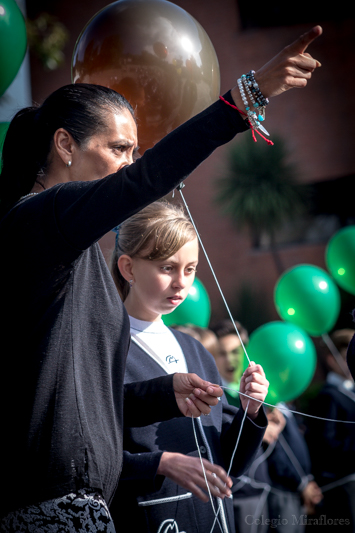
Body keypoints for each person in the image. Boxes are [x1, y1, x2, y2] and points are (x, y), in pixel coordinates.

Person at [0, 24, 322, 531]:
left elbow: (86, 404)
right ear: (65, 144)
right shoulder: (35, 220)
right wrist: (244, 98)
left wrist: (162, 391)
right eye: (120, 149)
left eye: (134, 152)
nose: (131, 165)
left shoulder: (74, 248)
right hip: (47, 513)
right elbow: (146, 180)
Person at [109, 200, 269, 533]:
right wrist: (159, 464)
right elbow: (87, 457)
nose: (182, 282)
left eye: (190, 269)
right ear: (128, 268)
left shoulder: (194, 350)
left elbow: (232, 462)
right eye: (167, 267)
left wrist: (250, 412)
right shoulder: (104, 349)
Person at [306, 329, 355, 532]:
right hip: (342, 488)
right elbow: (324, 446)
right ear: (331, 360)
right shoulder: (329, 397)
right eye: (346, 357)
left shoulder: (351, 392)